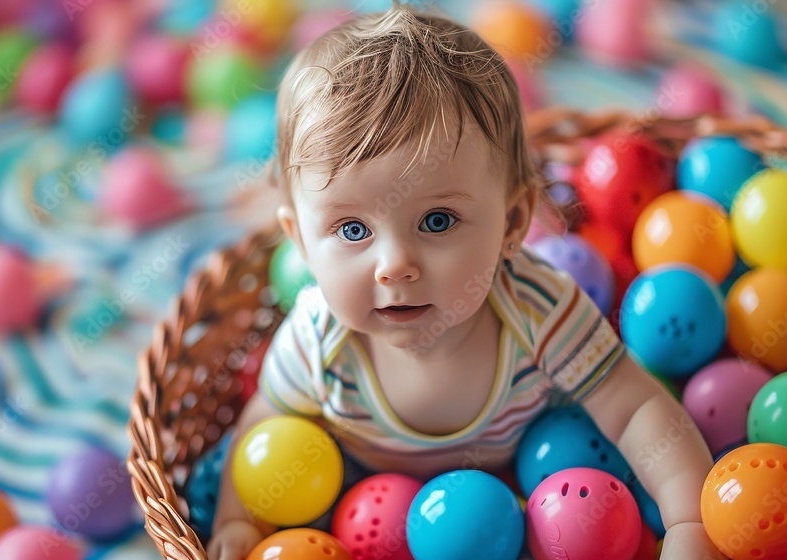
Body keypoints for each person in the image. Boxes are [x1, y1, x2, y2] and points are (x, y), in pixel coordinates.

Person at [209, 4, 722, 559]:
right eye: (353, 229)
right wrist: (238, 520)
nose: (394, 265)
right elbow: (264, 426)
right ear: (302, 243)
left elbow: (636, 409)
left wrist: (690, 522)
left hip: (526, 507)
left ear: (513, 222)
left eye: (437, 221)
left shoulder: (537, 308)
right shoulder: (317, 338)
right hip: (361, 509)